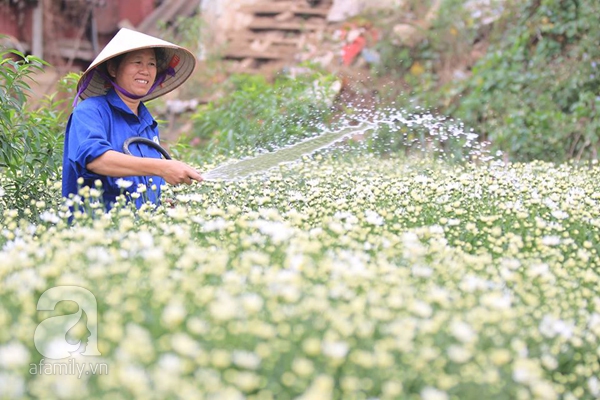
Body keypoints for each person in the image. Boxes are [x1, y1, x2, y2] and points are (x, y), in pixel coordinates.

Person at [62, 28, 203, 210]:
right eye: (137, 62)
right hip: (98, 231)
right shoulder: (90, 111)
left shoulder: (148, 123)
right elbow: (96, 160)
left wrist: (157, 205)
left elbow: (141, 180)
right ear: (113, 69)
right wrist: (162, 167)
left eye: (151, 64)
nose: (145, 71)